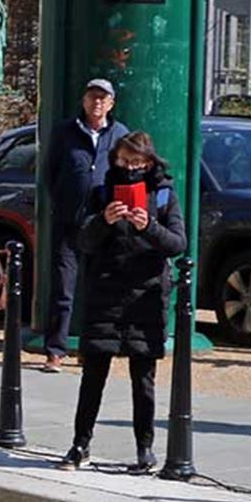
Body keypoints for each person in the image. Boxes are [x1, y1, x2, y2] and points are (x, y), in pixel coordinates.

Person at [58, 132, 186, 475]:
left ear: (148, 162)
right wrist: (105, 220)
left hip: (145, 295)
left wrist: (150, 227)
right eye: (124, 161)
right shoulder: (102, 192)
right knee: (93, 374)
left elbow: (178, 243)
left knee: (143, 376)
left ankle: (145, 449)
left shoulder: (162, 194)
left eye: (137, 162)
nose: (130, 168)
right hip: (106, 292)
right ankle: (80, 443)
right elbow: (82, 239)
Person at [41, 79, 128, 372]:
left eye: (103, 98)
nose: (97, 103)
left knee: (97, 288)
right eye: (92, 97)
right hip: (69, 222)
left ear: (111, 103)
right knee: (63, 288)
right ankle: (55, 351)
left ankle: (92, 348)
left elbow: (126, 172)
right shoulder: (65, 132)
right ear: (84, 100)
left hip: (102, 224)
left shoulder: (119, 135)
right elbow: (51, 173)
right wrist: (64, 202)